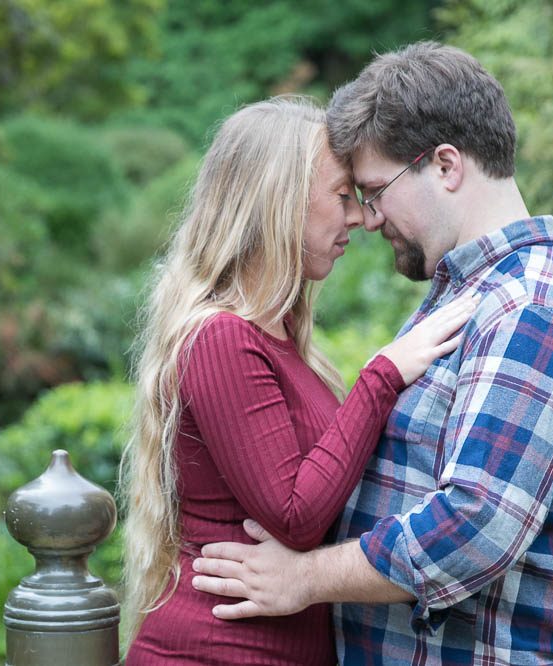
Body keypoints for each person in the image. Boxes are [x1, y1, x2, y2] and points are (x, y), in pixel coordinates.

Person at [191, 42, 553, 665]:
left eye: (374, 190)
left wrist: (304, 578)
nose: (368, 218)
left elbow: (472, 525)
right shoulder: (462, 293)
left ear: (446, 166)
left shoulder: (532, 309)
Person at [120, 97, 478, 664]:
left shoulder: (277, 337)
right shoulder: (222, 340)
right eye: (343, 197)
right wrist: (381, 377)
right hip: (217, 651)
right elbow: (295, 515)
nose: (361, 218)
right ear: (278, 202)